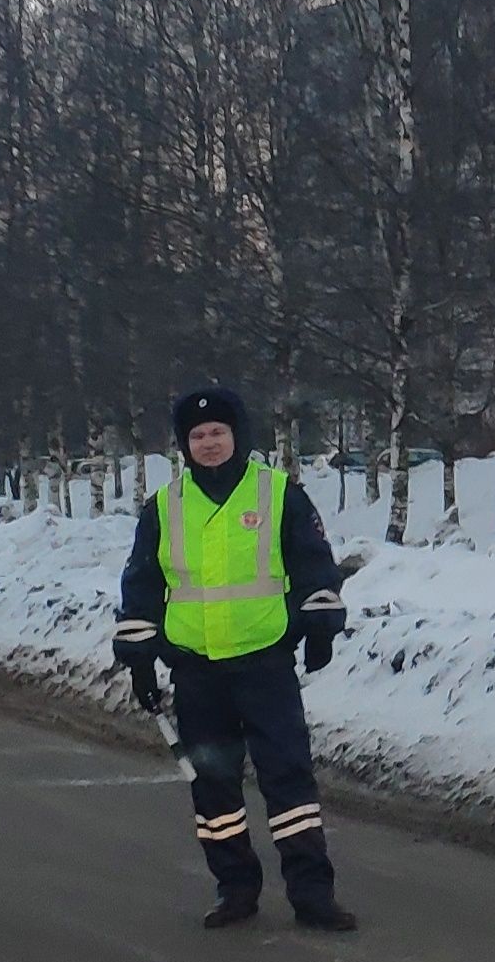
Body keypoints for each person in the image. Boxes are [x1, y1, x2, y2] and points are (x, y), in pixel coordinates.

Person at [113, 387, 358, 933]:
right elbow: (142, 586)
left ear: (238, 437)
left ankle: (312, 895)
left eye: (218, 432)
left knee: (288, 781)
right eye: (197, 436)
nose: (209, 443)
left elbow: (314, 566)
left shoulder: (278, 494)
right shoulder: (164, 508)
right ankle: (236, 889)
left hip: (265, 666)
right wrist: (139, 659)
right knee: (214, 789)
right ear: (184, 446)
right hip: (197, 672)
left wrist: (319, 630)